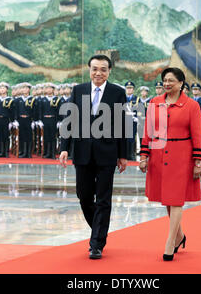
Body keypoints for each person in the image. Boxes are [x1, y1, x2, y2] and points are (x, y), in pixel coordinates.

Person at [59, 54, 128, 260]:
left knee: (104, 198)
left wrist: (123, 155)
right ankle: (99, 231)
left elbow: (123, 124)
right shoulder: (78, 90)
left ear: (109, 71)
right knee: (84, 195)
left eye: (103, 69)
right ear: (89, 70)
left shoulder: (117, 92)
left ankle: (96, 243)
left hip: (107, 153)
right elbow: (69, 120)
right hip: (82, 152)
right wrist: (64, 147)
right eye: (95, 69)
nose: (99, 73)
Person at [139, 67, 201, 261]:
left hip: (181, 157)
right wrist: (144, 155)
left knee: (175, 199)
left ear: (181, 83)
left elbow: (197, 134)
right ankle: (180, 236)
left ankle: (169, 242)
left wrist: (198, 161)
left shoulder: (191, 106)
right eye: (164, 80)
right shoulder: (154, 103)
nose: (166, 84)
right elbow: (148, 131)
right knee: (167, 199)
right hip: (158, 155)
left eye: (171, 81)